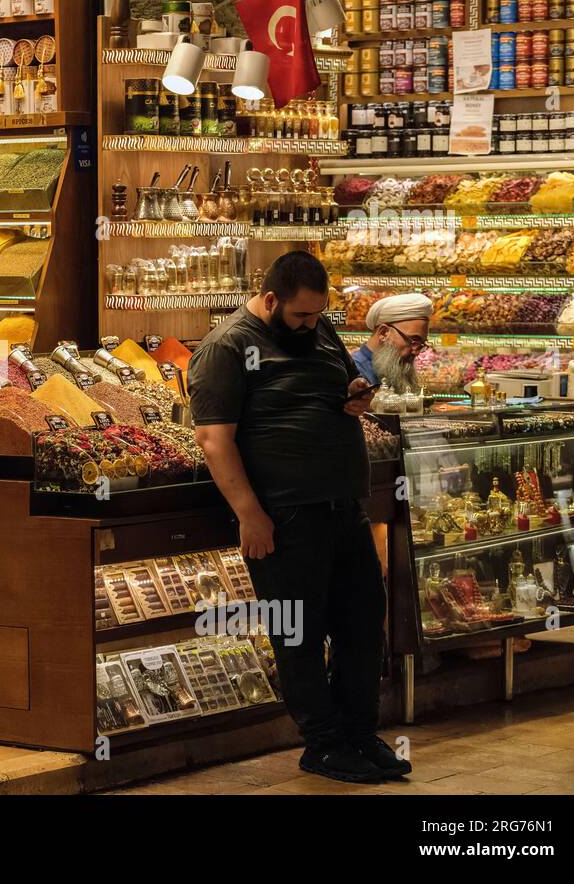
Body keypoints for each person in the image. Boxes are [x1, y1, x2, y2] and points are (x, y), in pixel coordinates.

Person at [188, 251, 405, 784]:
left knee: (361, 626)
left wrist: (355, 397)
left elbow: (343, 384)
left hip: (342, 508)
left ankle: (358, 733)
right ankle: (324, 744)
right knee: (299, 636)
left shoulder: (321, 330)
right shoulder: (227, 346)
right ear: (270, 300)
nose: (312, 325)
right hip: (284, 518)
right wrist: (250, 515)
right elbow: (214, 441)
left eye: (318, 315)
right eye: (301, 316)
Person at [350, 293, 432, 390]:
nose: (417, 352)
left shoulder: (393, 366)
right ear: (384, 333)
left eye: (421, 345)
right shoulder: (354, 373)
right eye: (414, 340)